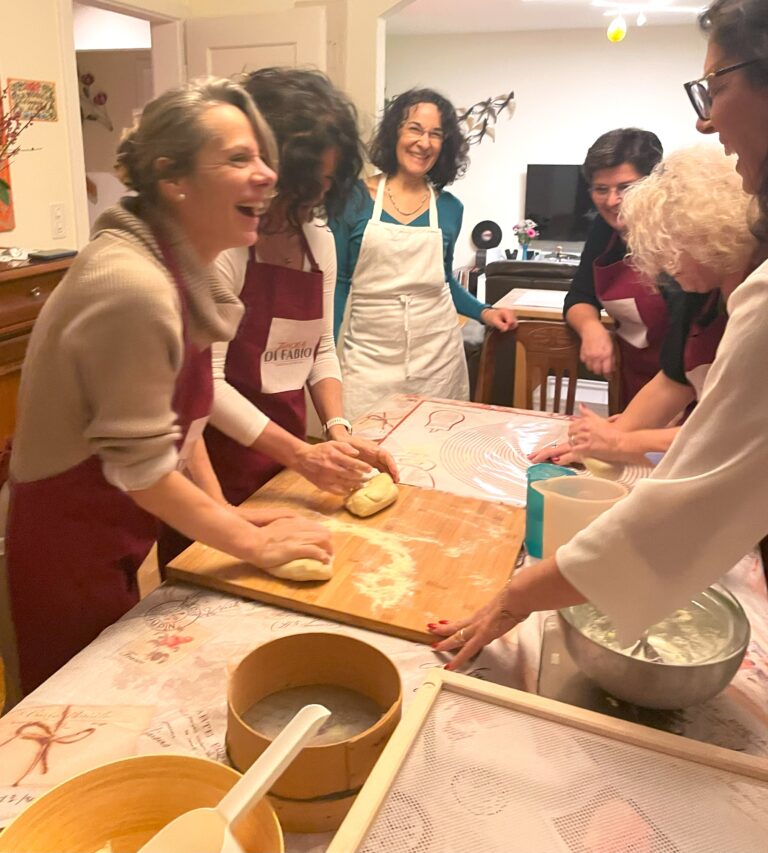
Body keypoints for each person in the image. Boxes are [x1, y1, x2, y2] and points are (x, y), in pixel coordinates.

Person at [429, 0, 768, 666]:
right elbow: (673, 379)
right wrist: (613, 435)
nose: (704, 116)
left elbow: (699, 492)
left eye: (715, 86)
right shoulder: (712, 293)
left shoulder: (751, 297)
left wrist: (524, 589)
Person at [4, 78, 332, 694]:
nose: (267, 174)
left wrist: (225, 516)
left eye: (264, 156)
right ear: (172, 178)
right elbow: (144, 470)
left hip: (117, 527)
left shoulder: (182, 271)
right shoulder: (133, 287)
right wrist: (247, 543)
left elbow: (181, 433)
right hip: (66, 541)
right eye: (239, 158)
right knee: (70, 715)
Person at [203, 69, 396, 511]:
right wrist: (302, 454)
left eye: (328, 182)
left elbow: (320, 349)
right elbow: (206, 386)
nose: (316, 196)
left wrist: (339, 435)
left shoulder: (318, 242)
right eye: (306, 183)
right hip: (217, 462)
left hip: (288, 460)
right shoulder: (223, 250)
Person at [531, 145, 756, 466]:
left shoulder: (756, 299)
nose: (663, 266)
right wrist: (595, 443)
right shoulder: (702, 293)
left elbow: (730, 433)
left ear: (709, 234)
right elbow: (674, 379)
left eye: (670, 246)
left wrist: (622, 442)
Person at [330, 88, 517, 422]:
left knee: (433, 452)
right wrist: (325, 354)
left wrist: (484, 312)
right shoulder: (352, 199)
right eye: (414, 128)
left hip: (438, 356)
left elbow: (442, 280)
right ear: (394, 134)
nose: (424, 142)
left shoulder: (449, 208)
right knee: (365, 457)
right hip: (369, 359)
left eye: (436, 134)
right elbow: (339, 282)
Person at [564, 128, 666, 407]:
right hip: (633, 378)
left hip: (689, 382)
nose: (611, 201)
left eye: (626, 187)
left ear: (653, 183)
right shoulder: (603, 230)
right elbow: (579, 297)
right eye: (601, 189)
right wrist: (591, 328)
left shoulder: (678, 233)